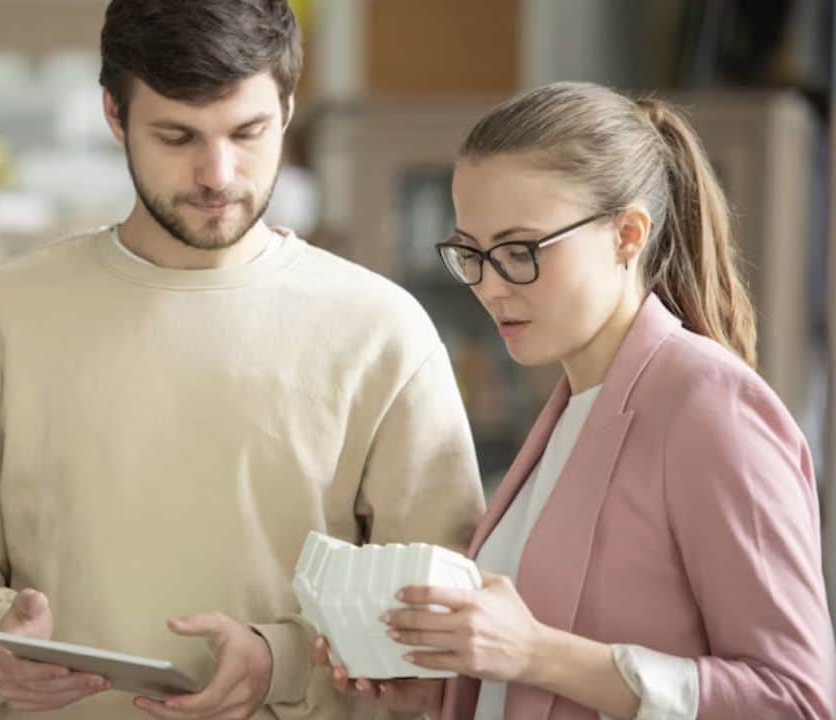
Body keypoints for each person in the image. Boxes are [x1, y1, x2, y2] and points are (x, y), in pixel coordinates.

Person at [0, 1, 485, 718]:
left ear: (287, 109)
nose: (217, 174)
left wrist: (280, 661)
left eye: (247, 132)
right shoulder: (4, 315)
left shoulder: (382, 334)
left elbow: (443, 617)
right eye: (176, 136)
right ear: (114, 115)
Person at [315, 81, 836, 719]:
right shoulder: (569, 410)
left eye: (521, 251)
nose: (491, 286)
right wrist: (451, 686)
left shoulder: (710, 407)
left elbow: (796, 701)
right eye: (471, 254)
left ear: (627, 235)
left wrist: (533, 655)